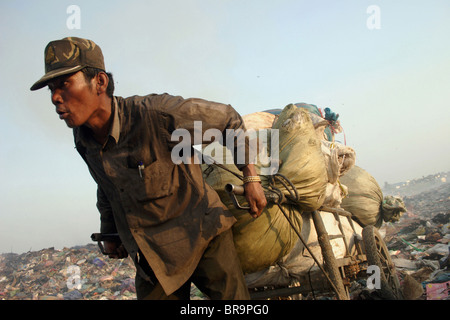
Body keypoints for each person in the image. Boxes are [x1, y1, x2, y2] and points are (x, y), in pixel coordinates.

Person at [30, 37, 267, 299]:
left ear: (99, 82)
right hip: (154, 257)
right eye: (51, 88)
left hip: (202, 236)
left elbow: (228, 120)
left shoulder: (157, 116)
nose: (54, 97)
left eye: (64, 84)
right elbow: (107, 185)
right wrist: (110, 231)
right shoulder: (83, 138)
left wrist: (251, 178)